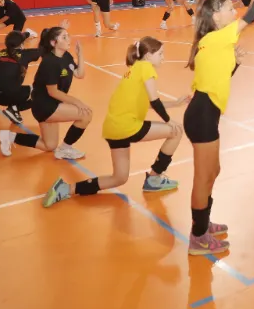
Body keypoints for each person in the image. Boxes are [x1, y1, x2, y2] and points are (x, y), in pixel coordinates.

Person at [184, 0, 254, 255]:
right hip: (202, 114)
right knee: (203, 177)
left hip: (207, 113)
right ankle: (198, 237)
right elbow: (251, 16)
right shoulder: (218, 38)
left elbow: (220, 77)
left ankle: (204, 222)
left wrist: (234, 64)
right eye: (228, 8)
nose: (234, 11)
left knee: (213, 171)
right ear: (216, 17)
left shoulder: (213, 42)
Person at [42, 37, 191, 208]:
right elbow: (154, 100)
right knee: (176, 131)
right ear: (148, 55)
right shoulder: (146, 67)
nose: (163, 57)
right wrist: (169, 120)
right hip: (127, 126)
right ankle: (154, 178)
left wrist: (175, 104)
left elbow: (146, 103)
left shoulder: (134, 69)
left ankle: (66, 189)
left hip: (113, 128)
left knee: (119, 178)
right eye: (160, 53)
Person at [0, 26, 91, 160]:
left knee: (49, 145)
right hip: (44, 106)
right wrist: (77, 102)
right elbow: (53, 92)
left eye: (68, 36)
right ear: (53, 43)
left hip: (51, 104)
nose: (68, 39)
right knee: (86, 115)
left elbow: (79, 74)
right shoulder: (50, 62)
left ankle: (9, 136)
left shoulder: (66, 56)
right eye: (64, 37)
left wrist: (80, 55)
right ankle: (65, 149)